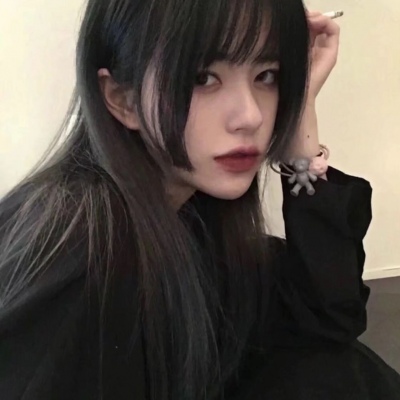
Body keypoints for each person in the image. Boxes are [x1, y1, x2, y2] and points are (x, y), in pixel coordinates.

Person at [0, 0, 399, 399]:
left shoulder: (195, 216)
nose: (251, 117)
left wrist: (301, 124)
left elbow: (326, 321)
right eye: (202, 78)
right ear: (123, 99)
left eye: (267, 75)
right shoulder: (78, 254)